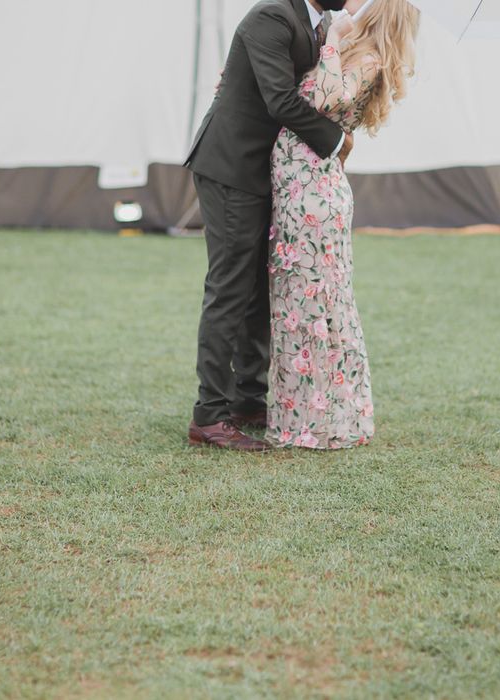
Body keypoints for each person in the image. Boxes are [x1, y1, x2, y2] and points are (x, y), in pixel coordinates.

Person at [184, 0, 355, 452]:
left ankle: (247, 401)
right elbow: (280, 99)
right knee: (231, 289)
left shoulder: (320, 25)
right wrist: (336, 141)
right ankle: (210, 417)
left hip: (266, 175)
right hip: (230, 168)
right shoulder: (273, 17)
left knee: (259, 290)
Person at [265, 0, 421, 449]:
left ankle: (323, 421)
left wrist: (332, 41)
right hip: (299, 189)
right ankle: (301, 415)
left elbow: (326, 99)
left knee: (314, 304)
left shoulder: (369, 59)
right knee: (298, 301)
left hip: (314, 196)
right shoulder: (352, 51)